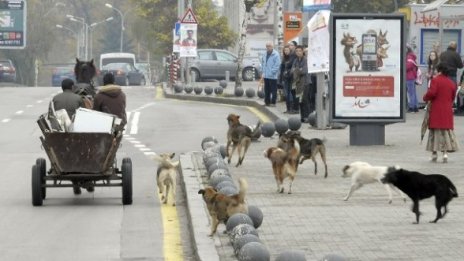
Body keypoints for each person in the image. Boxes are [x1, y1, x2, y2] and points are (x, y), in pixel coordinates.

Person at [423, 63, 459, 163]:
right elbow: (452, 97)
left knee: (435, 132)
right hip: (447, 110)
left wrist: (425, 97)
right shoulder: (451, 82)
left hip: (436, 109)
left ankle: (434, 154)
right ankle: (445, 154)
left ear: (439, 70)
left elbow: (432, 93)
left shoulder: (435, 80)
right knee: (445, 132)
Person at [291, 45, 310, 122]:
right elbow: (292, 70)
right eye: (297, 51)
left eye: (300, 51)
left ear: (303, 52)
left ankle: (307, 117)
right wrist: (298, 70)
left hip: (305, 82)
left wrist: (297, 70)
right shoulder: (295, 60)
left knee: (305, 100)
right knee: (300, 101)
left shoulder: (305, 60)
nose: (298, 52)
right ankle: (302, 116)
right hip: (298, 83)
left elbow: (304, 71)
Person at [260, 42, 281, 107]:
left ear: (272, 47)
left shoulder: (276, 54)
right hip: (266, 75)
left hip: (273, 76)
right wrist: (263, 71)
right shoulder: (264, 54)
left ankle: (273, 102)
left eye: (269, 46)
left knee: (273, 90)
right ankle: (267, 102)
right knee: (267, 89)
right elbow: (263, 63)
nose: (268, 47)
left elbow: (277, 65)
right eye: (267, 46)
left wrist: (272, 72)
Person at [279, 45, 296, 114]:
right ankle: (288, 108)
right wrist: (280, 79)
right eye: (285, 50)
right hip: (285, 78)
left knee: (290, 93)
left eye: (287, 50)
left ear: (290, 50)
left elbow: (292, 67)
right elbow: (282, 69)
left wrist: (288, 73)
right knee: (286, 94)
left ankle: (291, 108)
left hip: (291, 77)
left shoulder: (292, 57)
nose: (286, 52)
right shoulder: (284, 58)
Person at [406, 45, 419, 113]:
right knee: (413, 92)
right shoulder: (411, 56)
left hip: (409, 77)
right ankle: (415, 106)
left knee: (411, 93)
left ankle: (412, 107)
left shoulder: (409, 57)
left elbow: (407, 67)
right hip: (411, 77)